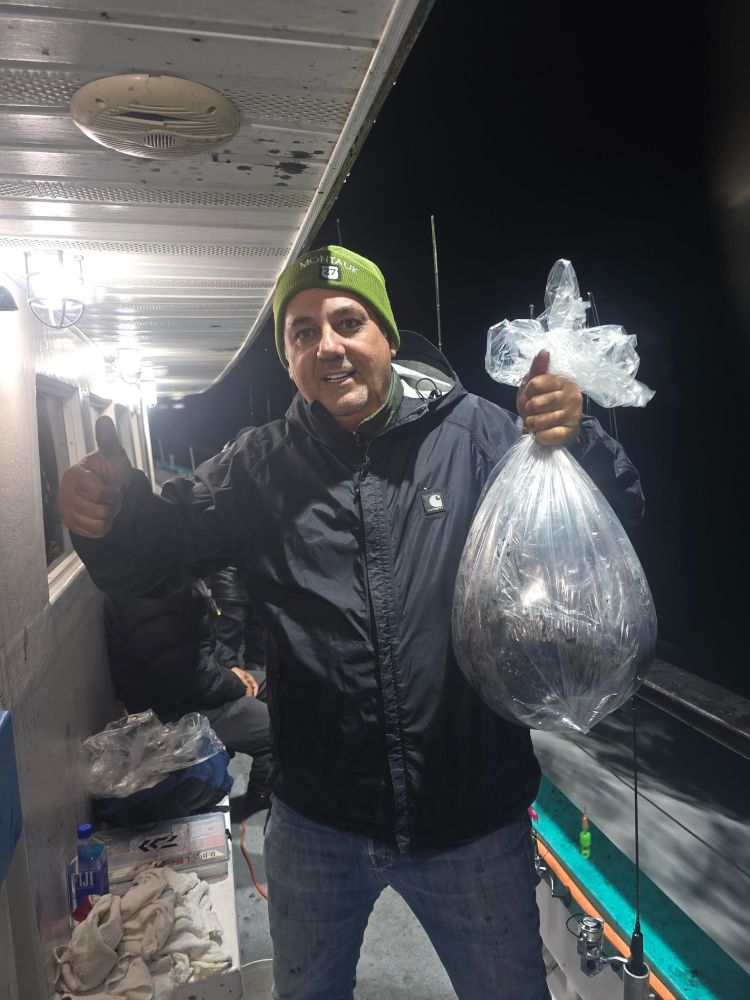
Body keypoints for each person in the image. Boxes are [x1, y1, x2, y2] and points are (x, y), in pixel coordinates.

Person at [59, 244, 644, 1000]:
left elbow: (608, 530)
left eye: (347, 321)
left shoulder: (480, 438)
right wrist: (112, 520)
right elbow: (163, 553)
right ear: (290, 360)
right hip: (317, 821)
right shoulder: (256, 468)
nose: (326, 344)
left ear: (388, 338)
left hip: (473, 819)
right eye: (302, 333)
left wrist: (578, 443)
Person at [103, 578, 273, 816]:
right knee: (277, 727)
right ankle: (262, 795)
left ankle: (268, 780)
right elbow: (190, 677)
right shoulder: (145, 599)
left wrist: (233, 667)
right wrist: (236, 684)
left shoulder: (172, 582)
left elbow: (206, 641)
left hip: (192, 692)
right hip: (173, 714)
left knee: (276, 687)